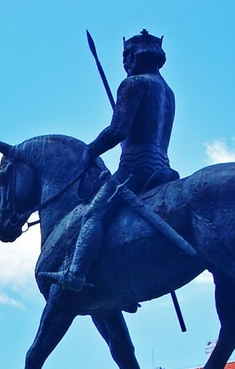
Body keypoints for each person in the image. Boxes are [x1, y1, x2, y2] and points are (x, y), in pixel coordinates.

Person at [47, 29, 179, 296]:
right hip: (163, 170)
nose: (125, 63)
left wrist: (91, 151)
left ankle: (75, 273)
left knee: (93, 214)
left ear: (135, 56)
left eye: (126, 57)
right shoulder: (167, 90)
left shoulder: (133, 84)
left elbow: (118, 130)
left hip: (136, 169)